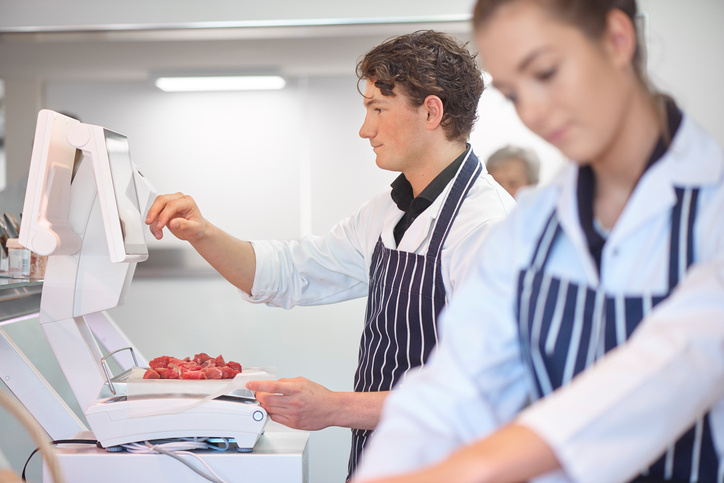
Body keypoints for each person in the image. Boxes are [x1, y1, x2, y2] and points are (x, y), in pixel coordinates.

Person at [353, 1, 724, 482]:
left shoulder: (712, 209)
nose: (534, 112)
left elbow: (667, 371)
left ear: (616, 39)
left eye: (546, 73)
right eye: (512, 93)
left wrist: (467, 470)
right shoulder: (534, 225)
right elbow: (454, 386)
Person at [145, 30, 515, 478]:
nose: (366, 130)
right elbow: (287, 273)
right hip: (380, 458)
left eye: (378, 109)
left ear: (431, 112)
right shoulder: (387, 209)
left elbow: (480, 395)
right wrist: (201, 233)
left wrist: (334, 408)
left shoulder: (487, 228)